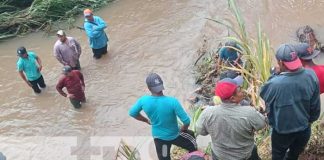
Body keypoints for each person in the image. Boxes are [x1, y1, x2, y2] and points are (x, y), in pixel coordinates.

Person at [260, 44, 321, 160]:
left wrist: (274, 75)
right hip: (304, 129)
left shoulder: (275, 84)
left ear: (281, 63)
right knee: (294, 154)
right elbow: (315, 107)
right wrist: (308, 122)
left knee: (278, 155)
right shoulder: (311, 75)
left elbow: (264, 93)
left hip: (282, 132)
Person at [128, 73, 197, 160]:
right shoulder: (173, 102)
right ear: (162, 85)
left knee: (165, 158)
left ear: (149, 88)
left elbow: (132, 113)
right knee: (192, 145)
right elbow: (186, 121)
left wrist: (146, 120)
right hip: (176, 135)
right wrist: (183, 129)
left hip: (160, 139)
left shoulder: (143, 101)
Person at [196, 77, 266, 160]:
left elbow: (201, 131)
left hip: (220, 155)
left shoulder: (208, 113)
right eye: (239, 90)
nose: (243, 91)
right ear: (232, 98)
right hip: (244, 156)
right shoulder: (249, 113)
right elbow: (261, 124)